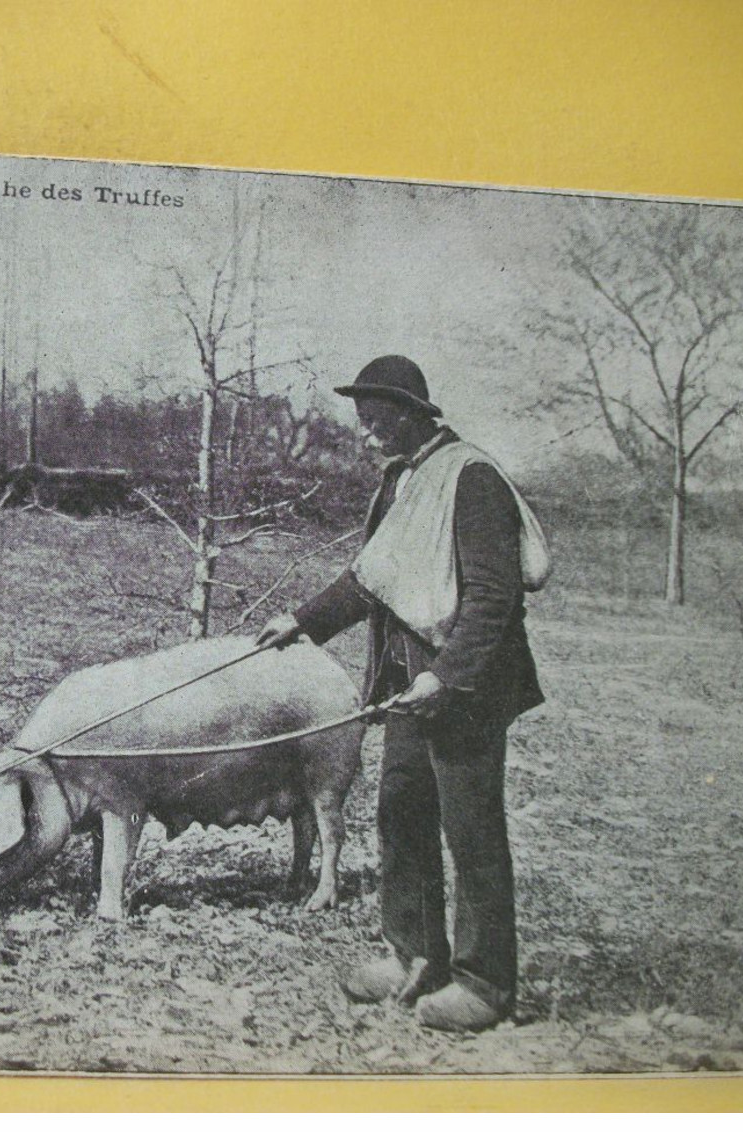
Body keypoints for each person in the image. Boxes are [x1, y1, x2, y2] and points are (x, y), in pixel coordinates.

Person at [257, 354, 549, 1033]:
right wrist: (303, 622)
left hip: (465, 687)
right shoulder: (400, 482)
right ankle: (412, 954)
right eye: (361, 423)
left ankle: (484, 983)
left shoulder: (471, 479)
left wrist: (445, 676)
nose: (364, 435)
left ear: (409, 412)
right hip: (407, 687)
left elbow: (493, 600)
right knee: (401, 814)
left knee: (470, 830)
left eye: (373, 421)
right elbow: (371, 580)